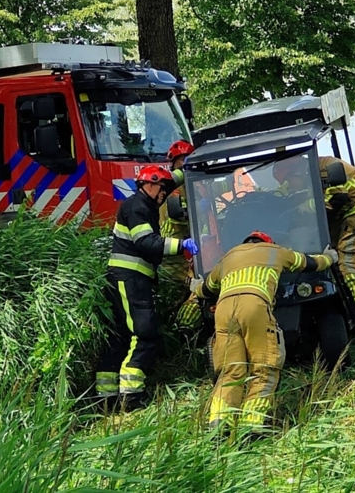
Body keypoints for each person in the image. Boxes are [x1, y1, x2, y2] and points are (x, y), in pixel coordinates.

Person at [192, 232, 337, 430]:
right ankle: (252, 424)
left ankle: (218, 423)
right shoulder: (274, 251)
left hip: (224, 311)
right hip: (254, 305)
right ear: (267, 242)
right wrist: (330, 257)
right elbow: (308, 263)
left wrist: (195, 287)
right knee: (264, 369)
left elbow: (207, 289)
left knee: (230, 371)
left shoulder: (228, 257)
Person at [95, 164, 198, 411]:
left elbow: (168, 182)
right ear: (148, 185)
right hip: (130, 280)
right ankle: (131, 397)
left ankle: (106, 398)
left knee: (120, 337)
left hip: (125, 279)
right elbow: (146, 242)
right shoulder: (137, 208)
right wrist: (181, 245)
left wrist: (188, 167)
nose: (164, 194)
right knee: (145, 334)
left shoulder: (146, 200)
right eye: (161, 189)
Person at [273, 157, 355, 326]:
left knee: (348, 257)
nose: (289, 185)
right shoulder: (314, 170)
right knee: (338, 247)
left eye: (288, 181)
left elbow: (337, 198)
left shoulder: (323, 169)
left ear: (296, 173)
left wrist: (305, 210)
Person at [158, 139, 201, 330]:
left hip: (194, 251)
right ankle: (177, 331)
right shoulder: (172, 189)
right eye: (181, 160)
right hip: (174, 253)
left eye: (188, 158)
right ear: (173, 164)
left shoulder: (198, 181)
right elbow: (177, 217)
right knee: (178, 292)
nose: (185, 163)